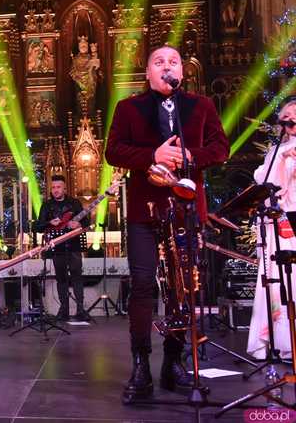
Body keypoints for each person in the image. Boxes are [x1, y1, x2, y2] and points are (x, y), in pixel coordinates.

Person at [105, 45, 229, 403]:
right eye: (158, 62)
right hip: (146, 211)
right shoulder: (128, 108)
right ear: (147, 73)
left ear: (182, 72)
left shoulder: (201, 106)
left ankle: (173, 361)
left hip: (187, 210)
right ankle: (140, 364)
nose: (166, 67)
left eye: (172, 62)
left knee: (183, 288)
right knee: (143, 286)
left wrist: (191, 156)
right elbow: (113, 151)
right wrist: (151, 157)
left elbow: (221, 148)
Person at [247, 99, 296, 360]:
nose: (290, 119)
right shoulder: (275, 151)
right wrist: (282, 160)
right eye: (286, 115)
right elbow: (268, 186)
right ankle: (282, 342)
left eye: (294, 115)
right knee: (277, 282)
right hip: (279, 224)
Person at [33, 175, 91, 322]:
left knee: (77, 276)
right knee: (61, 278)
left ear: (64, 188)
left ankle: (80, 309)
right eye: (53, 188)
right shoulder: (47, 205)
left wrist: (79, 225)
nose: (55, 190)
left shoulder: (74, 203)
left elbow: (86, 221)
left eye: (58, 187)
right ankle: (63, 309)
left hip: (74, 245)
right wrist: (49, 223)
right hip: (57, 247)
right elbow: (37, 227)